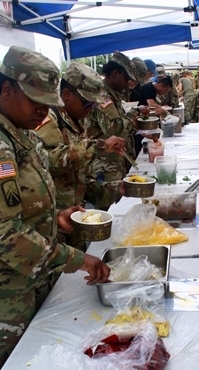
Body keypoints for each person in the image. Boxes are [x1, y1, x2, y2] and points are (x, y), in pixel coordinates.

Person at [0, 46, 110, 370]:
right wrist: (76, 259)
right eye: (36, 101)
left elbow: (19, 206)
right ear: (7, 90)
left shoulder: (18, 135)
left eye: (47, 103)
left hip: (25, 279)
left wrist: (55, 218)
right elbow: (4, 235)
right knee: (11, 364)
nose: (42, 111)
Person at [33, 61, 126, 250]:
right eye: (87, 102)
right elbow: (51, 159)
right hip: (52, 227)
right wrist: (100, 146)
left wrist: (116, 189)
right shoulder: (49, 121)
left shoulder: (76, 123)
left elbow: (81, 178)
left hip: (74, 220)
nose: (90, 108)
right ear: (66, 95)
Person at [84, 51, 149, 209]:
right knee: (111, 213)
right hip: (106, 169)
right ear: (114, 74)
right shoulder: (103, 97)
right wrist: (136, 111)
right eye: (126, 78)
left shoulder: (114, 96)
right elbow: (116, 129)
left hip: (116, 165)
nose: (128, 83)